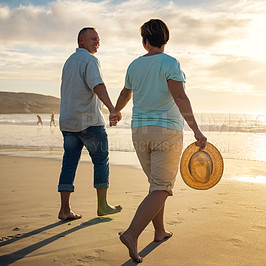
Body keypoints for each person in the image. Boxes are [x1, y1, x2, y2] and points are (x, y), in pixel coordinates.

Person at [112, 19, 207, 263]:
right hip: (166, 131)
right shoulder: (170, 63)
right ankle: (132, 234)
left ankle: (159, 230)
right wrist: (196, 129)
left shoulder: (134, 65)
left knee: (156, 186)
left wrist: (116, 110)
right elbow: (180, 97)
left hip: (139, 132)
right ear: (166, 39)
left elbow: (125, 93)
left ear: (145, 42)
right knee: (162, 187)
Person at [58, 27, 122, 220]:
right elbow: (97, 85)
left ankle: (64, 209)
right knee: (101, 160)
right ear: (81, 40)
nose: (97, 42)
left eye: (98, 39)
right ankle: (102, 206)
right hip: (89, 122)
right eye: (93, 38)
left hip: (68, 122)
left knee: (69, 163)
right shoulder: (90, 60)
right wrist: (112, 108)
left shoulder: (69, 61)